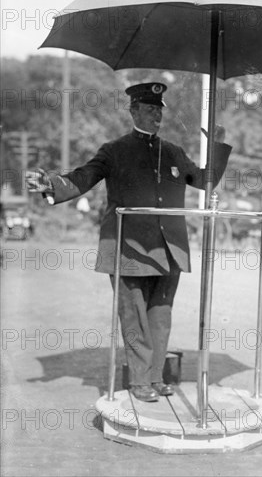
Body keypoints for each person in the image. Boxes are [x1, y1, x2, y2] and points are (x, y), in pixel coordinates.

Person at [27, 82, 232, 402]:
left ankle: (154, 377)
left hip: (169, 250)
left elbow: (206, 180)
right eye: (150, 110)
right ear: (133, 111)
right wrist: (50, 185)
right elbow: (82, 177)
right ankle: (139, 382)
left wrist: (217, 146)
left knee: (161, 317)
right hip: (129, 248)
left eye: (159, 110)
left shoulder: (174, 151)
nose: (157, 116)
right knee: (134, 316)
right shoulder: (114, 150)